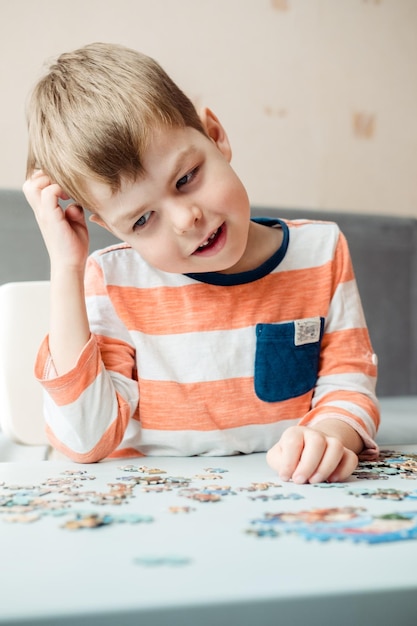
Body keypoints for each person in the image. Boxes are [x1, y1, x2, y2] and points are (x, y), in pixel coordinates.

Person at [23, 42, 379, 482]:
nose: (184, 219)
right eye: (142, 220)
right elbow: (83, 441)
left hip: (288, 500)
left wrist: (330, 435)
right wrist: (66, 266)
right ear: (112, 229)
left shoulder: (322, 252)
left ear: (215, 135)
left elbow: (349, 382)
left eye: (186, 178)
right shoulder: (112, 278)